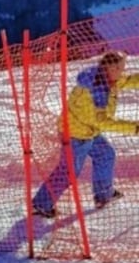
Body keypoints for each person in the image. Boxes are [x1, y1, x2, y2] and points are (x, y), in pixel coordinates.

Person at [32, 50, 139, 218]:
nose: (122, 71)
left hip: (88, 130)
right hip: (76, 135)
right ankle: (42, 204)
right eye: (120, 68)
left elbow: (127, 81)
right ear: (108, 67)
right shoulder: (93, 92)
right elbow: (102, 122)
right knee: (68, 172)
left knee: (105, 154)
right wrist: (135, 128)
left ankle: (104, 195)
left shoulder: (107, 79)